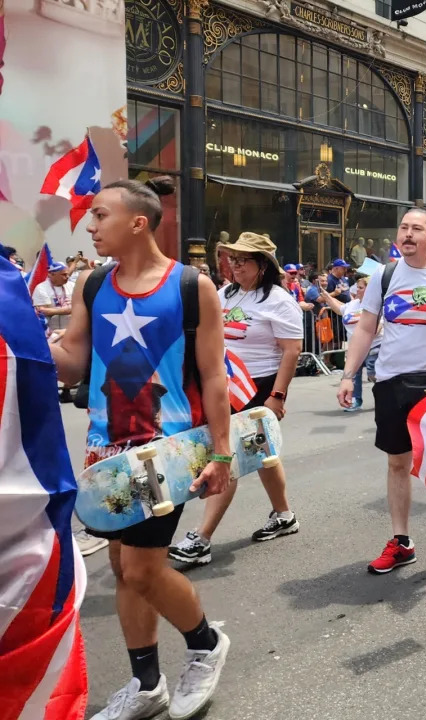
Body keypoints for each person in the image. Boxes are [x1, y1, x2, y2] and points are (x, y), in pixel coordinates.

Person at [48, 177, 231, 720]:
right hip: (106, 452)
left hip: (166, 453)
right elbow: (74, 360)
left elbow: (214, 375)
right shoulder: (91, 283)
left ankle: (204, 645)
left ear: (138, 222)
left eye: (101, 215)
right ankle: (147, 684)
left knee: (145, 571)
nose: (90, 225)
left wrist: (221, 454)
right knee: (125, 567)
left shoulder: (191, 287)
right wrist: (19, 334)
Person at [337, 208, 426, 573]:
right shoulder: (384, 276)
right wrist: (348, 375)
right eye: (403, 227)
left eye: (417, 228)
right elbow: (366, 328)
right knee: (397, 462)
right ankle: (401, 541)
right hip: (389, 382)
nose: (408, 234)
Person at [168, 232, 302, 567]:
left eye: (243, 260)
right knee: (262, 452)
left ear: (263, 265)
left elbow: (291, 350)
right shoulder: (223, 292)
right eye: (232, 259)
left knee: (228, 455)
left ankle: (202, 538)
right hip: (225, 382)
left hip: (259, 384)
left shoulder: (278, 300)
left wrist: (277, 396)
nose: (234, 265)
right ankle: (284, 515)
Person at [321, 273, 381, 412]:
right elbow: (340, 309)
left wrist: (367, 334)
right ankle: (354, 400)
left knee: (374, 373)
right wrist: (327, 297)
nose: (356, 289)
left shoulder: (377, 304)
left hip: (375, 346)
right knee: (354, 373)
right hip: (355, 347)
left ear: (369, 289)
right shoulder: (353, 304)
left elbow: (379, 326)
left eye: (360, 287)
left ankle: (384, 396)